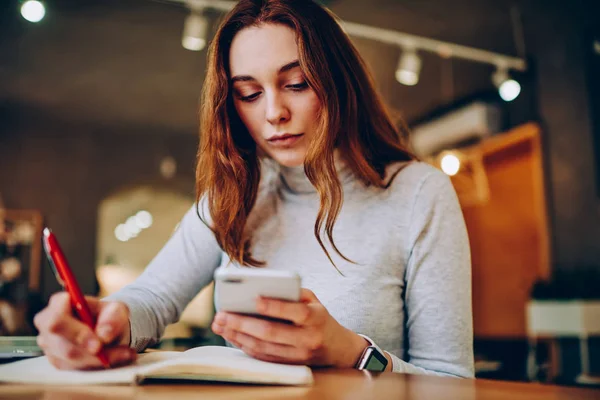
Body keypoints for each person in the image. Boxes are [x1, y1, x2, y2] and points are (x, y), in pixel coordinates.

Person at [33, 0, 474, 377]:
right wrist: (109, 319)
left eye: (297, 84)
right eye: (248, 93)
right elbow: (152, 298)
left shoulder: (419, 194)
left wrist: (354, 354)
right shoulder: (234, 195)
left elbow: (453, 384)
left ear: (339, 81)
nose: (274, 112)